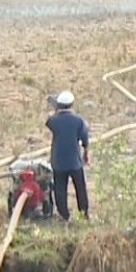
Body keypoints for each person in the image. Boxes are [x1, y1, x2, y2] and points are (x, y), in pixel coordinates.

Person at [44, 91, 91, 221]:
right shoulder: (78, 120)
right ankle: (84, 214)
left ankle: (64, 215)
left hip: (58, 161)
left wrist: (56, 110)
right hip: (75, 161)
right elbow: (85, 139)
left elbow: (50, 122)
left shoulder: (53, 120)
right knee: (80, 188)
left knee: (60, 189)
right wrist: (86, 154)